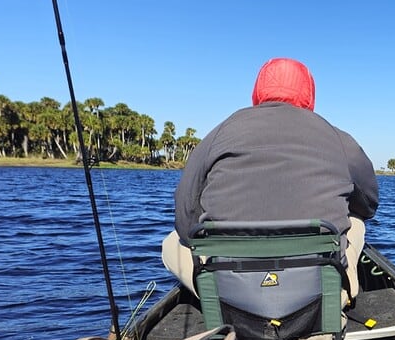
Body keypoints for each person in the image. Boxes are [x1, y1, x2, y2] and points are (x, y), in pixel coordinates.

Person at [162, 57, 379, 305]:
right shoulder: (338, 137)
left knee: (171, 243)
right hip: (316, 296)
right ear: (310, 95)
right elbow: (368, 204)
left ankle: (218, 299)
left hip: (231, 295)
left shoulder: (220, 132)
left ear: (257, 92)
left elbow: (185, 217)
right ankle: (341, 292)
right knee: (356, 222)